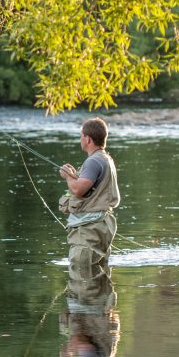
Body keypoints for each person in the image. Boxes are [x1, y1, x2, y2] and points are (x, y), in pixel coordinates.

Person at [58, 117, 120, 274]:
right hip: (101, 225)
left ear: (88, 138)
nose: (80, 139)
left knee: (80, 271)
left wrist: (67, 177)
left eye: (81, 135)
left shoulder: (93, 161)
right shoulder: (105, 159)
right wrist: (73, 175)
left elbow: (78, 190)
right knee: (98, 276)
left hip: (90, 228)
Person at [59, 267, 120, 357]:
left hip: (100, 299)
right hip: (88, 299)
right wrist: (69, 351)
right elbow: (79, 339)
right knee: (82, 265)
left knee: (97, 263)